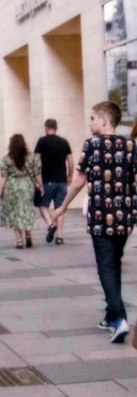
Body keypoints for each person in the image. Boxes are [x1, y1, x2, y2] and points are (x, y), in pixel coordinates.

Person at [53, 101, 136, 343]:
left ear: (103, 120)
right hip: (126, 217)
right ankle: (111, 314)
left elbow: (78, 182)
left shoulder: (91, 145)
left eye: (92, 118)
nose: (89, 123)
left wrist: (62, 207)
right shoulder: (131, 145)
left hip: (101, 217)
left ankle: (119, 318)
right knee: (115, 262)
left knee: (106, 266)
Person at [0, 134, 42, 249]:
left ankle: (19, 241)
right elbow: (37, 173)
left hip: (12, 188)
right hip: (27, 186)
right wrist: (40, 186)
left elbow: (3, 177)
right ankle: (28, 235)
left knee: (15, 213)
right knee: (27, 211)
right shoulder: (32, 157)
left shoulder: (7, 159)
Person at [35, 119, 73, 245]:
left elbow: (36, 161)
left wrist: (37, 178)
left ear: (46, 128)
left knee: (42, 204)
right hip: (62, 180)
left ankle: (51, 224)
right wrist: (70, 175)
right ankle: (60, 236)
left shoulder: (42, 141)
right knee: (60, 208)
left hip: (47, 180)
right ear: (56, 128)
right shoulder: (63, 142)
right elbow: (70, 161)